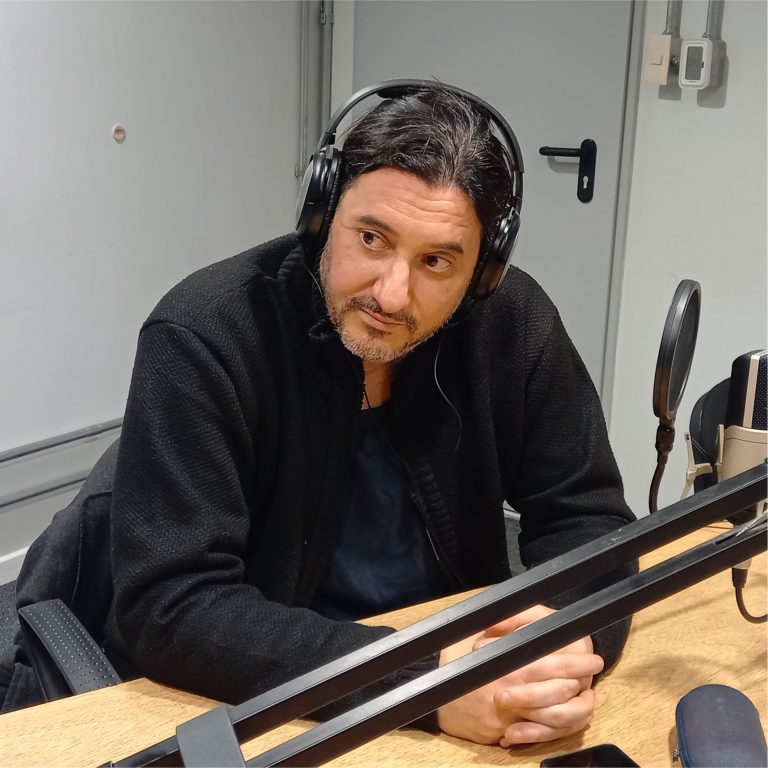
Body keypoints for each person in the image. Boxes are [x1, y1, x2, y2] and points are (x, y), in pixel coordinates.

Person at [12, 81, 638, 746]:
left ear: (483, 271)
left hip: (453, 676)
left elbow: (586, 518)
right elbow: (175, 608)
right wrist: (425, 684)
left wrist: (558, 650)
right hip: (266, 695)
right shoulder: (204, 335)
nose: (392, 295)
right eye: (371, 238)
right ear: (321, 214)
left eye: (436, 262)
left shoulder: (513, 323)